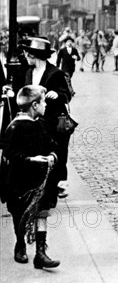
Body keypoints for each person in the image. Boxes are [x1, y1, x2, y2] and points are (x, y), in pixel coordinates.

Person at [0, 85, 60, 269]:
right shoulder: (15, 127)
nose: (46, 106)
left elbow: (53, 145)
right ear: (34, 105)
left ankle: (40, 253)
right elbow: (9, 154)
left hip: (40, 181)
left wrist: (51, 156)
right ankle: (20, 244)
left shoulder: (42, 124)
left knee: (42, 211)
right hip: (19, 181)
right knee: (20, 214)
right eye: (43, 102)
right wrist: (31, 159)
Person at [19, 37, 72, 198]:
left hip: (54, 120)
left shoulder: (55, 73)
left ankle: (58, 184)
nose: (26, 57)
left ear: (35, 55)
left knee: (57, 151)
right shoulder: (29, 72)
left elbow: (67, 95)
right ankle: (43, 187)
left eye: (28, 54)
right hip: (37, 121)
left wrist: (58, 94)